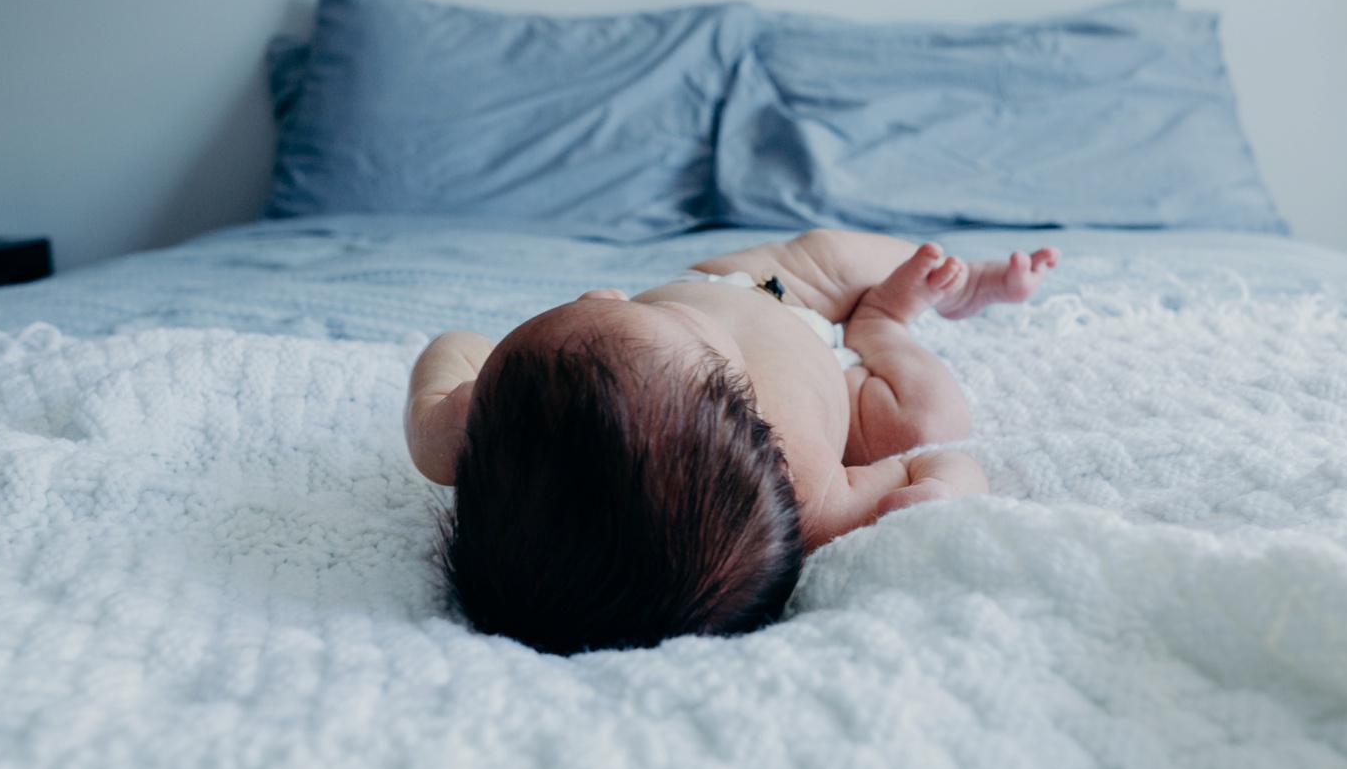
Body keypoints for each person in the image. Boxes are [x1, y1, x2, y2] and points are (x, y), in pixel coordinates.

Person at [407, 230, 1060, 654]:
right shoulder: (807, 492)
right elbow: (940, 459)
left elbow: (455, 344)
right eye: (642, 308)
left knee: (826, 249)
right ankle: (885, 321)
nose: (602, 290)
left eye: (612, 303)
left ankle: (964, 278)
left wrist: (433, 426)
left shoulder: (513, 422)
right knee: (930, 418)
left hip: (743, 280)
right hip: (818, 341)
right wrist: (944, 489)